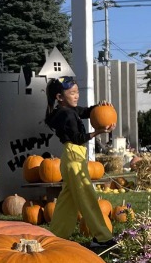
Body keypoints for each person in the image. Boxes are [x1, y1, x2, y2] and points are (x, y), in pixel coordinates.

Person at [43, 77, 113, 246]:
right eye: (72, 93)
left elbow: (87, 112)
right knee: (87, 197)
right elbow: (77, 138)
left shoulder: (67, 110)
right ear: (60, 97)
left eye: (77, 92)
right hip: (73, 157)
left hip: (73, 158)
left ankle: (55, 238)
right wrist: (98, 132)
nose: (76, 96)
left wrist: (100, 106)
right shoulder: (66, 114)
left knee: (67, 202)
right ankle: (102, 237)